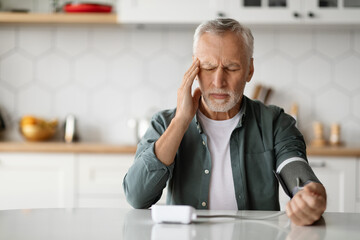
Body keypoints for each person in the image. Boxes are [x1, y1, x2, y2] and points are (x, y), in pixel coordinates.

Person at [123, 18, 327, 226]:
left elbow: (296, 171)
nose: (219, 81)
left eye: (231, 68)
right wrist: (181, 121)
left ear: (249, 70)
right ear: (194, 68)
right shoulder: (165, 123)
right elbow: (137, 197)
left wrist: (310, 194)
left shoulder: (275, 122)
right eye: (209, 67)